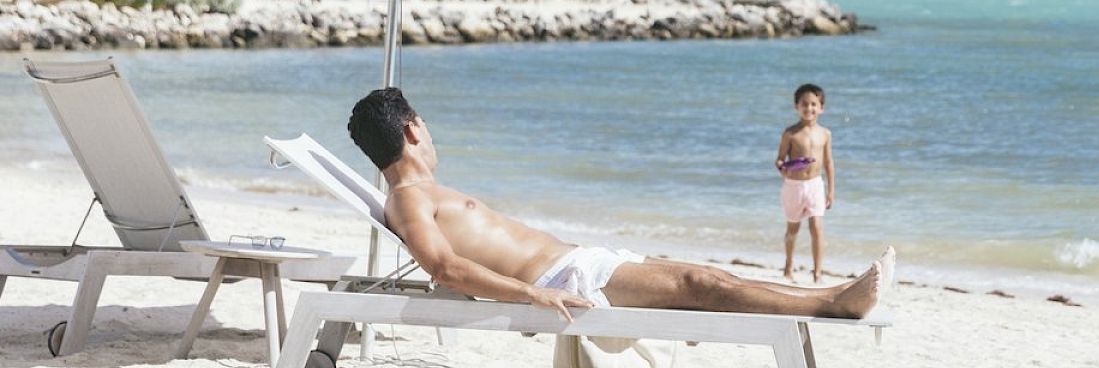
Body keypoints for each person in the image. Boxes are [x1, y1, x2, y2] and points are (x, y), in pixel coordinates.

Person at [347, 88, 891, 322]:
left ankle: (829, 294)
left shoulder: (420, 195)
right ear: (413, 129)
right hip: (563, 282)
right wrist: (532, 293)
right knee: (703, 287)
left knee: (705, 278)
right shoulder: (409, 199)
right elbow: (445, 269)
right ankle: (832, 304)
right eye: (428, 126)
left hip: (578, 264)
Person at [774, 84, 835, 283]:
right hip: (794, 185)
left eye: (813, 104)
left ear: (821, 108)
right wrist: (784, 168)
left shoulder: (825, 134)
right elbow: (780, 160)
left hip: (815, 185)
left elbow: (828, 162)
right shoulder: (790, 133)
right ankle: (788, 267)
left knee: (817, 226)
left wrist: (831, 191)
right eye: (804, 104)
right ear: (796, 107)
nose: (809, 108)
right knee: (793, 229)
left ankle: (817, 273)